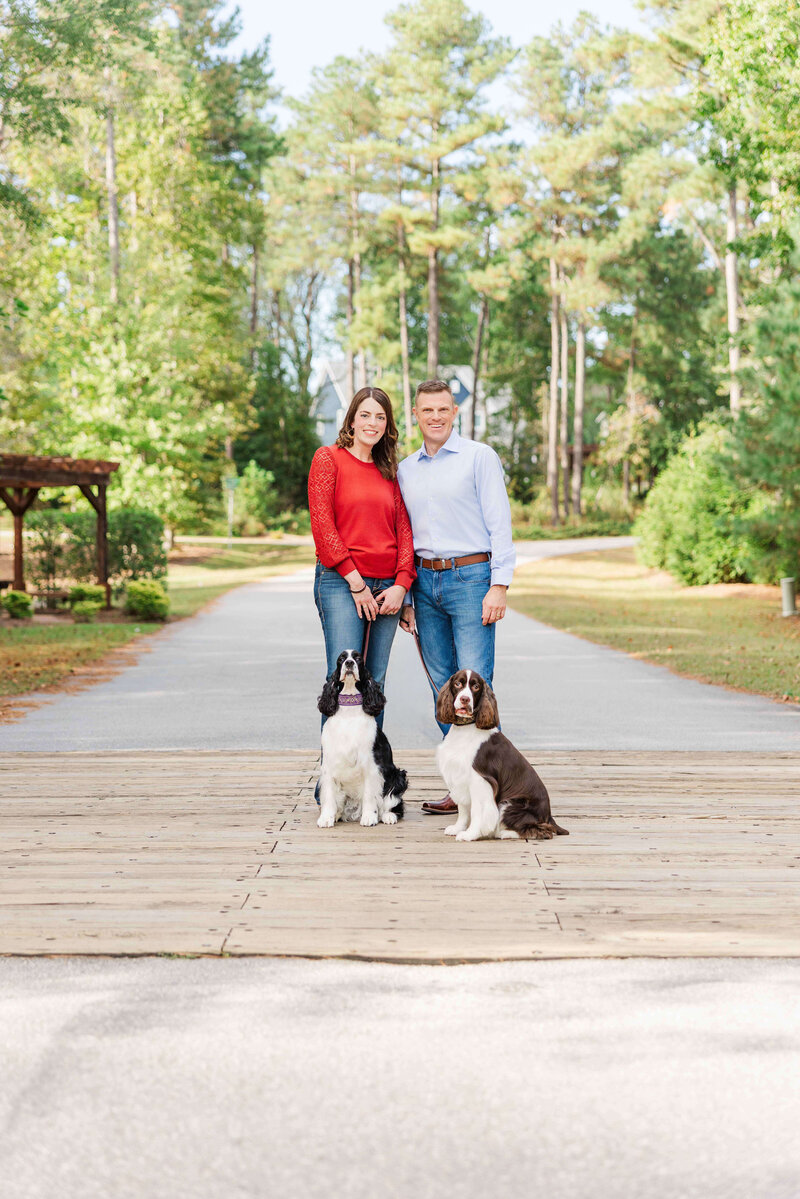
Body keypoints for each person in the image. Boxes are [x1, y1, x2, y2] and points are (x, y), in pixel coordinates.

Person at [397, 379, 515, 814]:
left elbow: (500, 524)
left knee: (477, 688)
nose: (435, 417)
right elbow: (403, 535)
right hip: (424, 584)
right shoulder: (405, 469)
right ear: (415, 414)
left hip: (471, 579)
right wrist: (407, 596)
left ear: (454, 412)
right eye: (427, 410)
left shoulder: (479, 457)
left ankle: (494, 787)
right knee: (444, 690)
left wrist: (499, 584)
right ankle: (461, 786)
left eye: (443, 409)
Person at [308, 385, 415, 732]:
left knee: (375, 682)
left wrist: (401, 585)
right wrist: (356, 584)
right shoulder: (328, 459)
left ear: (388, 424)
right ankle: (333, 768)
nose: (372, 423)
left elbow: (404, 531)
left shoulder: (389, 470)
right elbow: (323, 526)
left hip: (387, 590)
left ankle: (370, 764)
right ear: (351, 420)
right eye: (365, 415)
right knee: (342, 677)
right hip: (341, 583)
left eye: (380, 417)